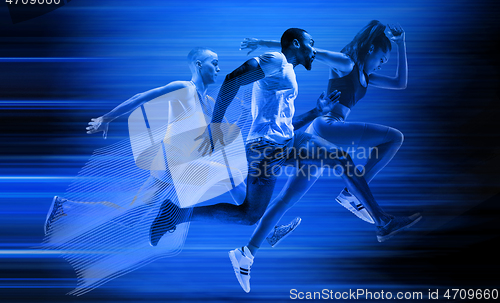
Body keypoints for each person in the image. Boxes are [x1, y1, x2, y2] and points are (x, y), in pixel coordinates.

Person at [148, 29, 420, 293]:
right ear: (296, 45)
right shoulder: (276, 60)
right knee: (249, 215)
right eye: (310, 43)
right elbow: (233, 79)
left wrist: (316, 111)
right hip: (265, 149)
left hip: (286, 142)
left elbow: (284, 123)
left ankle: (186, 218)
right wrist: (216, 126)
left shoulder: (288, 73)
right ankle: (177, 213)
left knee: (334, 162)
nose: (314, 50)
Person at [44, 47, 248, 235]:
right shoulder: (184, 89)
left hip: (172, 169)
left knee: (129, 217)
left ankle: (65, 207)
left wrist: (246, 113)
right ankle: (255, 216)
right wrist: (107, 117)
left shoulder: (209, 103)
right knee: (233, 175)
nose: (219, 68)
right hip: (175, 164)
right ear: (198, 64)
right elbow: (141, 97)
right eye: (214, 62)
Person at [240, 20, 408, 225]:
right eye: (382, 59)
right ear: (371, 48)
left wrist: (401, 43)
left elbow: (400, 82)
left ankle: (257, 241)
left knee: (288, 198)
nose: (382, 64)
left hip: (321, 130)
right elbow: (303, 48)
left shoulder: (367, 76)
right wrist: (262, 43)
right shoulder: (346, 63)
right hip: (328, 125)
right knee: (393, 138)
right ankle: (351, 194)